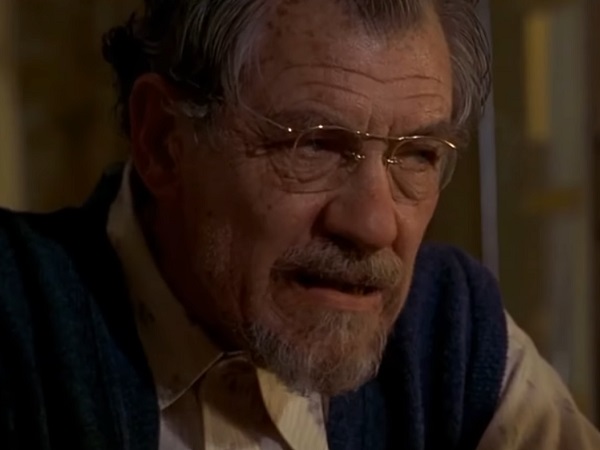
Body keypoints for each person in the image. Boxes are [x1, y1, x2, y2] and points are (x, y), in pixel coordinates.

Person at [0, 0, 598, 449]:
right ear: (163, 140)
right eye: (313, 145)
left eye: (418, 154)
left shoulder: (451, 337)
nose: (374, 225)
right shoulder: (16, 316)